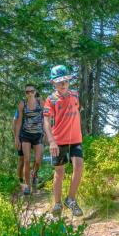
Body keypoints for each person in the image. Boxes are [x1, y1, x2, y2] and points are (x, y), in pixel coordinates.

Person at [43, 65, 84, 217]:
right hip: (58, 141)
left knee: (78, 166)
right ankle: (58, 203)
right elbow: (46, 121)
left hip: (75, 139)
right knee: (59, 172)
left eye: (65, 80)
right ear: (53, 83)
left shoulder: (75, 95)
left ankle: (71, 199)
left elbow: (76, 111)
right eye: (59, 81)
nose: (63, 84)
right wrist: (51, 141)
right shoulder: (51, 99)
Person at [14, 84, 44, 195]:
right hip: (26, 135)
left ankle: (34, 174)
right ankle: (27, 185)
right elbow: (18, 121)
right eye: (27, 92)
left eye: (31, 91)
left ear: (35, 92)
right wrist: (16, 137)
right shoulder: (23, 104)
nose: (30, 93)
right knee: (26, 160)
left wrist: (47, 133)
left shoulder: (41, 103)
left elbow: (46, 117)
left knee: (37, 160)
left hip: (38, 135)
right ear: (25, 93)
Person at [12, 108, 24, 186]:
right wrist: (16, 138)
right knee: (21, 159)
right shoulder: (19, 110)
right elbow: (14, 123)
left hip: (33, 136)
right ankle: (19, 179)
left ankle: (32, 178)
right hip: (21, 137)